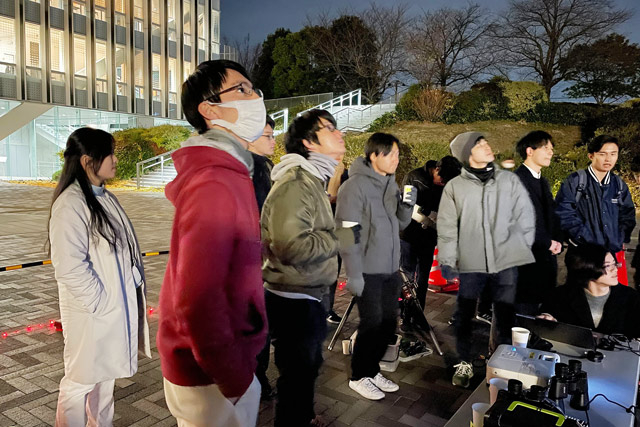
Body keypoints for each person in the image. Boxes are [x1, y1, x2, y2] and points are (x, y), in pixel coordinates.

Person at [157, 60, 267, 427]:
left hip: (219, 363)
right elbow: (198, 298)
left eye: (254, 89)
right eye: (243, 89)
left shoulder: (231, 172)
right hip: (210, 371)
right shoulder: (215, 181)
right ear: (209, 109)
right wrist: (234, 376)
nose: (255, 98)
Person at [261, 109, 360, 426]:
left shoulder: (311, 181)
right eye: (329, 128)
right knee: (296, 375)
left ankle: (301, 416)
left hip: (305, 294)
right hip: (293, 299)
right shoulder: (296, 183)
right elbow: (293, 247)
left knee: (305, 369)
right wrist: (342, 236)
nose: (339, 132)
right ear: (308, 142)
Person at [49, 127, 151, 426]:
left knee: (105, 380)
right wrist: (100, 302)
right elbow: (69, 265)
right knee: (79, 382)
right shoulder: (71, 204)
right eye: (109, 153)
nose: (115, 159)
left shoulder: (104, 197)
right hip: (94, 314)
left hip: (111, 309)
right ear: (86, 160)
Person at [438, 131, 535, 388]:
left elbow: (525, 214)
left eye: (485, 141)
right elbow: (447, 227)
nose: (487, 145)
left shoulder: (507, 180)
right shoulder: (455, 188)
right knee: (465, 314)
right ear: (467, 155)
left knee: (504, 315)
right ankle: (464, 362)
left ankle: (503, 365)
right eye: (479, 144)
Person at [336, 133, 416, 400]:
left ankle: (371, 370)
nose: (396, 159)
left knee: (387, 324)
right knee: (371, 325)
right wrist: (353, 272)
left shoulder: (389, 186)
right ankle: (358, 376)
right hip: (367, 270)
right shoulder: (354, 187)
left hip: (390, 269)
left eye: (397, 154)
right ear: (374, 156)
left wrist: (407, 205)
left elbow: (401, 224)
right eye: (391, 154)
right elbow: (347, 231)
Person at [555, 135, 635, 283]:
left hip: (611, 255)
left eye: (613, 154)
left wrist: (618, 238)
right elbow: (564, 214)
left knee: (610, 299)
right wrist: (584, 239)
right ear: (591, 155)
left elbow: (628, 214)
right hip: (583, 256)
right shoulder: (576, 181)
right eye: (602, 154)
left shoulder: (618, 184)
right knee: (580, 299)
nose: (608, 159)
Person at [539, 243, 640, 339]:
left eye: (615, 264)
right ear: (589, 269)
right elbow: (548, 323)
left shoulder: (631, 298)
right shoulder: (560, 296)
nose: (616, 270)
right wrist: (548, 319)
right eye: (609, 266)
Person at [513, 131, 563, 315]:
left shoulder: (543, 181)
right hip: (524, 265)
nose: (551, 152)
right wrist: (548, 242)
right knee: (520, 321)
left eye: (551, 149)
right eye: (545, 148)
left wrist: (558, 240)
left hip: (544, 260)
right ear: (530, 151)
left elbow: (551, 215)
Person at [249, 114, 277, 400]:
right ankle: (256, 380)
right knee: (258, 327)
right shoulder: (254, 172)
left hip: (261, 264)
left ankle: (258, 379)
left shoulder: (263, 169)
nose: (273, 140)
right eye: (268, 135)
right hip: (257, 265)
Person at [400, 159, 441, 309]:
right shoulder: (413, 176)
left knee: (423, 278)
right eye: (441, 178)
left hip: (429, 237)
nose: (442, 182)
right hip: (409, 234)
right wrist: (427, 214)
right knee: (407, 276)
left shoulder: (445, 183)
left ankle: (418, 313)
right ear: (435, 170)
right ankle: (405, 312)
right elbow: (406, 204)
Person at [249, 114, 276, 213]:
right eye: (268, 136)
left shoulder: (266, 164)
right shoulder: (251, 167)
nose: (273, 142)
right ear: (251, 139)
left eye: (273, 136)